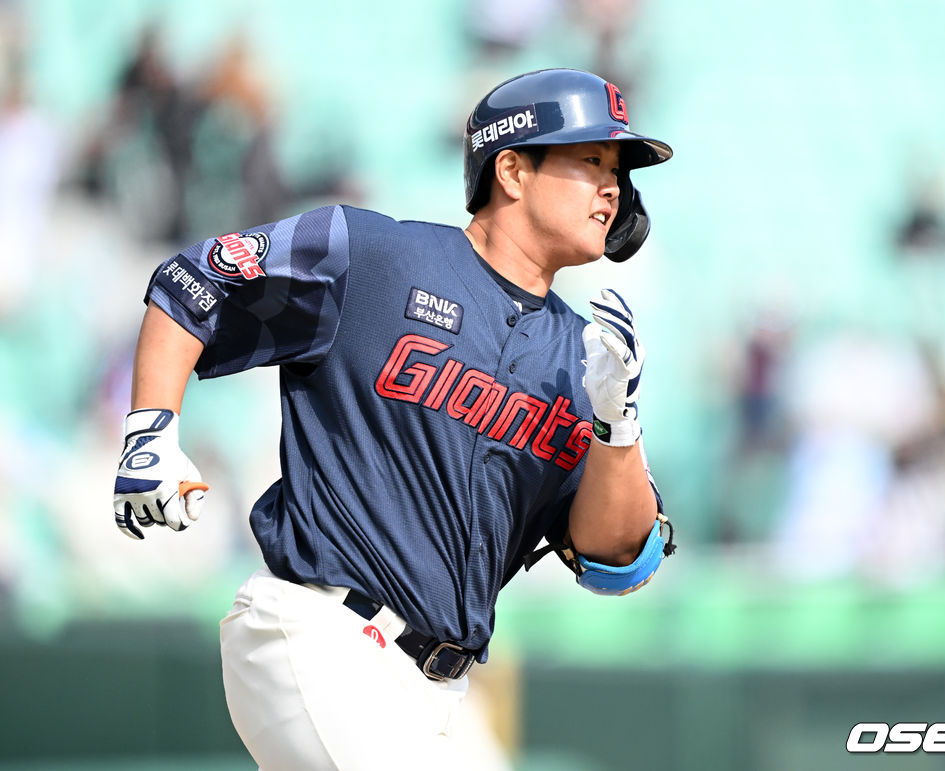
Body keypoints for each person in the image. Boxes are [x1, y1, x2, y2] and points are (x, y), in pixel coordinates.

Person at [112, 68, 675, 770]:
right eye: (590, 159)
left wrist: (618, 423)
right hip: (319, 631)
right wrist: (149, 431)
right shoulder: (374, 256)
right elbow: (196, 279)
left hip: (439, 693)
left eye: (617, 170)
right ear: (511, 170)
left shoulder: (580, 361)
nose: (612, 187)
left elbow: (615, 558)